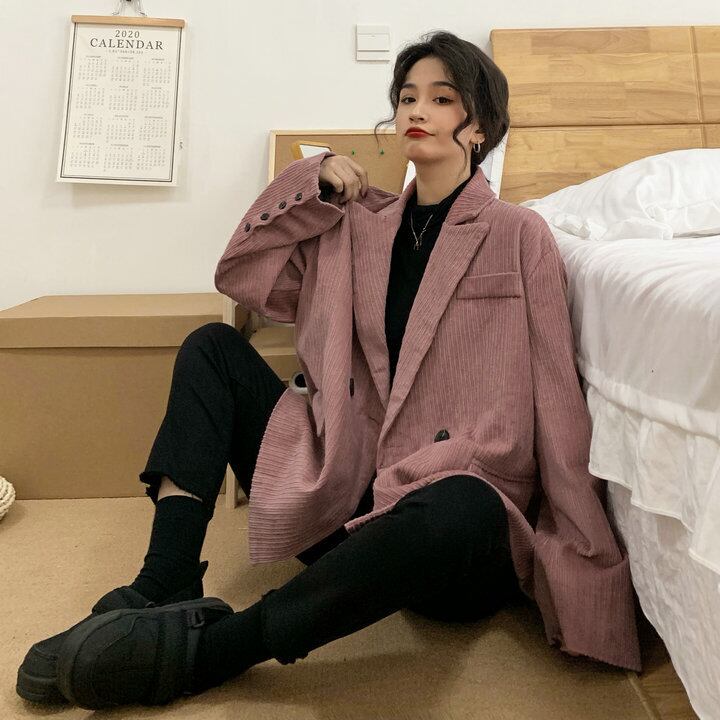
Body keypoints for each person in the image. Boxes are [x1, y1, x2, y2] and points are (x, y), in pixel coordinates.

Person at [17, 29, 638, 711]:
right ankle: (165, 580)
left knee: (461, 503)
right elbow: (242, 277)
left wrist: (583, 561)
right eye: (406, 97)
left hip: (449, 527)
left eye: (441, 97)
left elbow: (557, 397)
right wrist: (307, 182)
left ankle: (214, 650)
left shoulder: (520, 233)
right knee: (211, 348)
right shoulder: (354, 227)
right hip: (348, 494)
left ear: (480, 125)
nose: (416, 110)